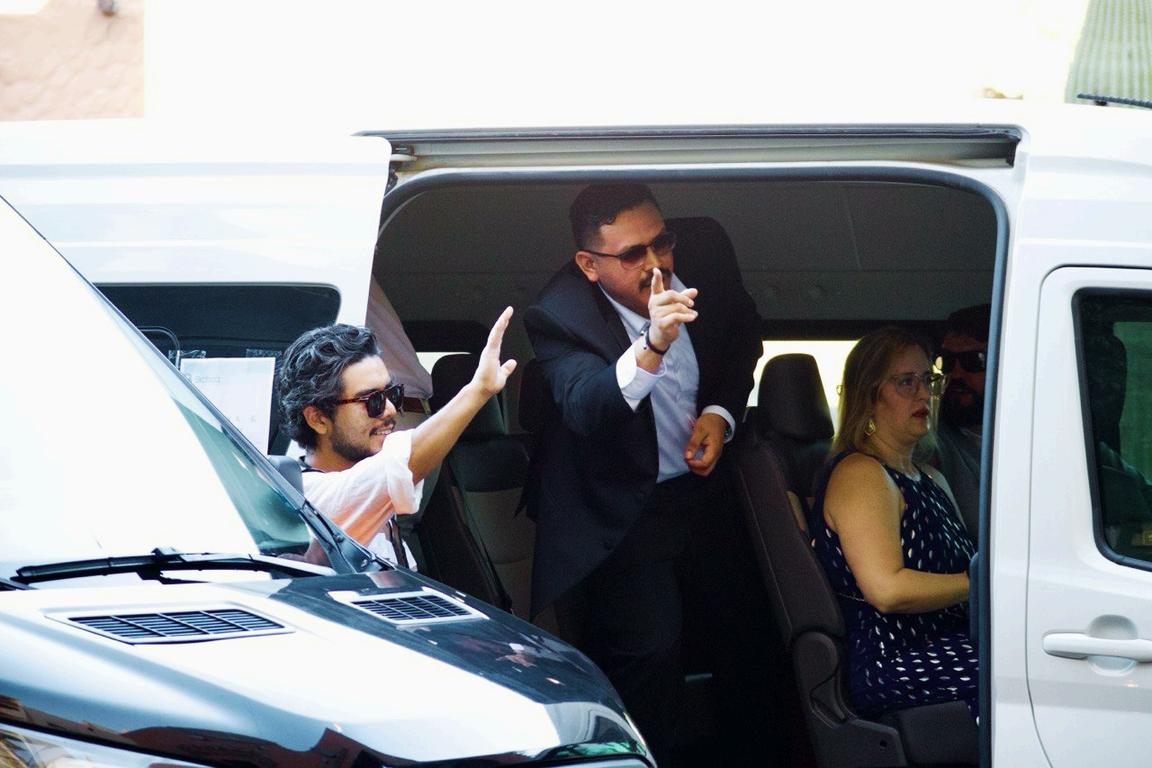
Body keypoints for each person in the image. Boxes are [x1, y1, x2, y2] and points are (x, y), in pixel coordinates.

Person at [523, 183, 779, 766]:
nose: (656, 262)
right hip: (625, 509)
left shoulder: (705, 251)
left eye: (661, 243)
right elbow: (586, 406)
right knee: (651, 653)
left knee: (751, 632)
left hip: (706, 490)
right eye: (632, 254)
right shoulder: (558, 312)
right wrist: (653, 344)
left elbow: (742, 336)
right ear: (589, 264)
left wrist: (720, 413)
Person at [809, 325, 977, 719]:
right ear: (870, 397)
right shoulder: (862, 473)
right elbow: (887, 589)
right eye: (906, 382)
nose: (924, 394)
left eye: (928, 380)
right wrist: (983, 586)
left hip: (949, 643)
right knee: (1023, 667)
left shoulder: (931, 478)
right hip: (894, 660)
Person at [277, 308, 516, 567]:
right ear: (318, 419)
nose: (391, 410)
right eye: (372, 401)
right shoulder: (314, 497)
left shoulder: (373, 501)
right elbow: (403, 464)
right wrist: (478, 391)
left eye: (392, 394)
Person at [934, 303, 991, 538]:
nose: (956, 374)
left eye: (974, 360)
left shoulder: (1042, 434)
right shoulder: (930, 443)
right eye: (947, 361)